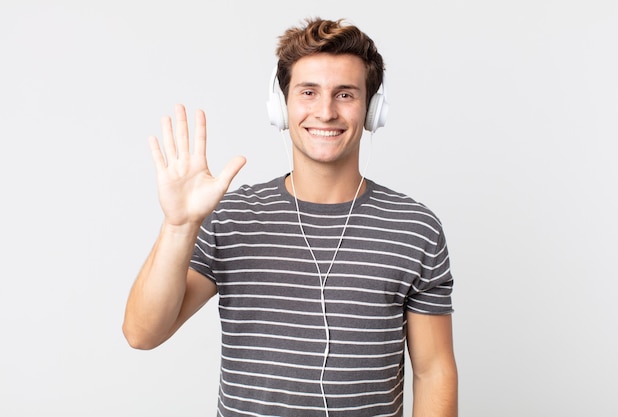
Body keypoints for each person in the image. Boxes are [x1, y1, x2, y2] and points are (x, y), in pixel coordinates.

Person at [123, 17, 458, 417]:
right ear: (281, 106)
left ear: (372, 109)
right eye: (308, 92)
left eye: (345, 94)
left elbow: (434, 370)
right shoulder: (232, 217)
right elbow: (142, 333)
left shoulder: (414, 228)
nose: (326, 111)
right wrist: (178, 226)